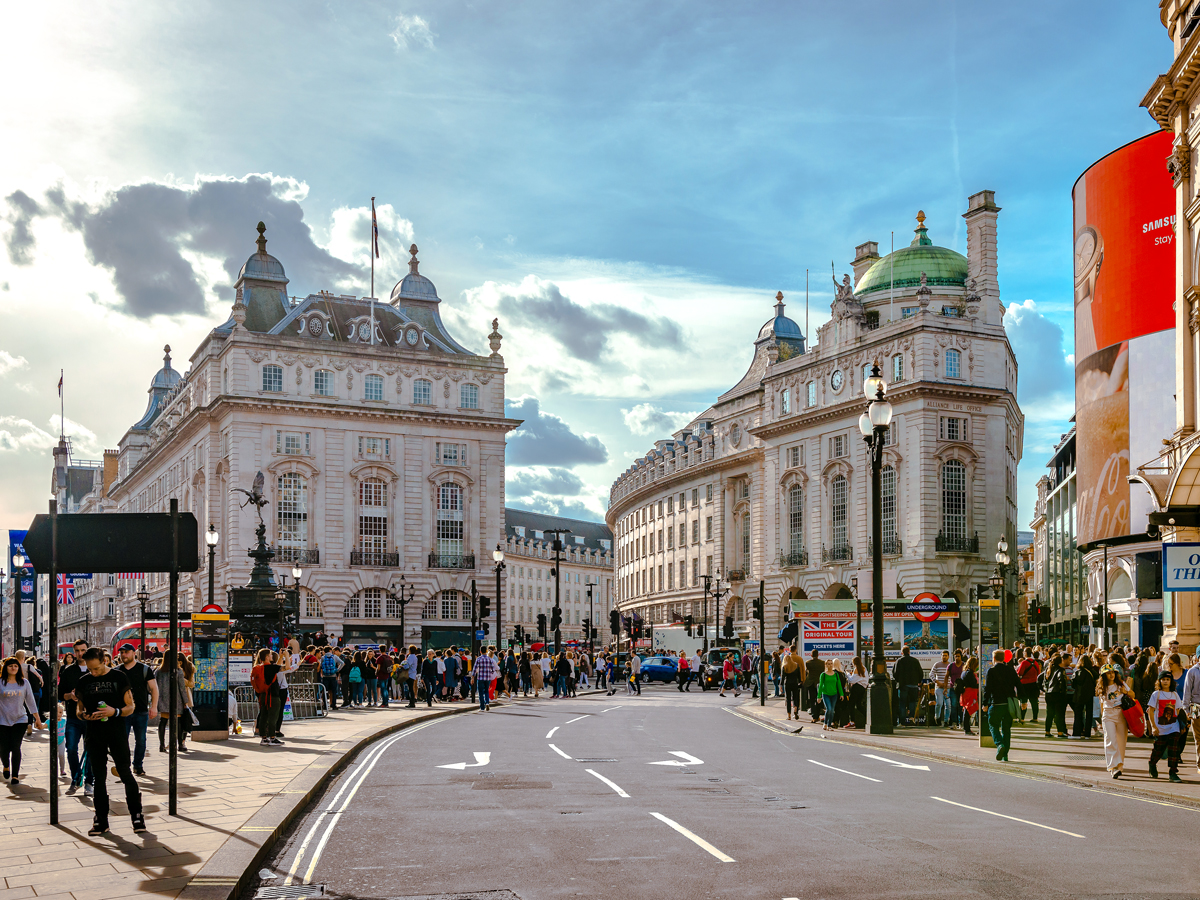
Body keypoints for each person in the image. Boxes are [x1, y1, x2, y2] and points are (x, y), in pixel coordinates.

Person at [75, 647, 146, 835]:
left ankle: (137, 815)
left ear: (104, 662)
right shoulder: (84, 681)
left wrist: (114, 711)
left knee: (125, 772)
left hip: (116, 731)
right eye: (90, 669)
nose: (93, 672)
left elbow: (131, 706)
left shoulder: (119, 677)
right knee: (99, 776)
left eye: (96, 668)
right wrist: (84, 716)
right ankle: (101, 819)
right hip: (94, 733)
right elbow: (78, 710)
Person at [0, 656, 43, 785]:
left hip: (20, 719)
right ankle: (6, 765)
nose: (13, 668)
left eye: (16, 666)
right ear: (5, 668)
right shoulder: (1, 682)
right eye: (10, 666)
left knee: (16, 746)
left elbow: (30, 701)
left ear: (19, 668)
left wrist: (37, 719)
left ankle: (15, 775)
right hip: (2, 720)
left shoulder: (24, 683)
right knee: (3, 747)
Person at [117, 643, 159, 776]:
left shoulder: (145, 669)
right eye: (122, 652)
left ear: (133, 653)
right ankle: (125, 765)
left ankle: (138, 765)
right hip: (123, 712)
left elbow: (154, 689)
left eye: (126, 652)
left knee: (141, 740)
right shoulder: (117, 671)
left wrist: (154, 706)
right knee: (122, 740)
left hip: (140, 710)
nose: (123, 655)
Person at [59, 638, 92, 796]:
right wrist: (69, 696)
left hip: (92, 717)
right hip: (73, 716)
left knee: (90, 750)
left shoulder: (96, 669)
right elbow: (60, 694)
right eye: (77, 651)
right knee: (71, 748)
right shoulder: (68, 671)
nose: (80, 654)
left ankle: (89, 782)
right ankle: (76, 778)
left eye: (83, 650)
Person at [1097, 663, 1135, 778]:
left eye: (1112, 672)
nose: (1111, 675)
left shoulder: (1120, 684)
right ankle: (1113, 767)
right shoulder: (1101, 687)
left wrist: (1125, 692)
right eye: (1108, 673)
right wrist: (1103, 716)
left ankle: (1119, 766)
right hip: (1108, 714)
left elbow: (1133, 694)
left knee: (1121, 741)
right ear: (1103, 676)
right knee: (1110, 740)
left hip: (1121, 713)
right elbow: (1101, 703)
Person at [1147, 670, 1184, 782]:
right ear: (1159, 681)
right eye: (1163, 679)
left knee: (1174, 750)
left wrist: (1182, 726)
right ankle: (1152, 763)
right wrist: (1153, 726)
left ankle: (1173, 772)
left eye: (1168, 679)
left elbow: (1178, 710)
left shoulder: (1174, 694)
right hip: (1161, 728)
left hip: (1174, 727)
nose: (1165, 681)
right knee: (1158, 750)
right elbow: (1150, 711)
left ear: (1171, 681)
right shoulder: (1156, 694)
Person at [983, 649, 1019, 761]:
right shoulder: (1010, 670)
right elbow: (1018, 684)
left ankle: (999, 744)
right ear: (1004, 659)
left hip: (996, 703)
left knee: (993, 725)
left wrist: (985, 703)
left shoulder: (991, 671)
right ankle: (1005, 755)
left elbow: (987, 689)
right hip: (1009, 704)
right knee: (1006, 729)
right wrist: (1023, 701)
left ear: (994, 659)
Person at [156, 650, 193, 752]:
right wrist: (185, 702)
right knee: (178, 723)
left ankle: (162, 745)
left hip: (163, 699)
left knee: (163, 722)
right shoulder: (178, 671)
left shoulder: (158, 671)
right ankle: (180, 744)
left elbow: (154, 687)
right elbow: (182, 688)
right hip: (176, 700)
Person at [1071, 654, 1098, 739]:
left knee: (1078, 714)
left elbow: (1073, 684)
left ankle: (1077, 733)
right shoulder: (1093, 672)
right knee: (1089, 714)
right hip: (1090, 695)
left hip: (1079, 695)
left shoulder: (1077, 672)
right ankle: (1087, 734)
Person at [1044, 654, 1070, 738]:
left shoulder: (1048, 670)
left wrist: (1045, 689)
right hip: (1058, 693)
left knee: (1050, 713)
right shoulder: (1060, 670)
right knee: (1059, 713)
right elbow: (1061, 680)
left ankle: (1047, 731)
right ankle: (1060, 732)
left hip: (1049, 693)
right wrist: (1063, 691)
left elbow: (1042, 680)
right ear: (1060, 662)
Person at [1016, 650, 1042, 723]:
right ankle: (1035, 718)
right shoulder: (1035, 662)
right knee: (1034, 702)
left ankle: (1022, 718)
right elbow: (1039, 673)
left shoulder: (1024, 662)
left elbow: (1020, 673)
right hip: (1034, 684)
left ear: (1025, 653)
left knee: (1023, 701)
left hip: (1024, 685)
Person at [818, 660, 842, 731]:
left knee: (832, 710)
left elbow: (839, 685)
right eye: (828, 664)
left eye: (831, 664)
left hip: (834, 694)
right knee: (829, 709)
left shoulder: (836, 674)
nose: (830, 665)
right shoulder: (823, 674)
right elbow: (820, 686)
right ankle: (825, 723)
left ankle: (829, 725)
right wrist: (819, 696)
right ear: (826, 665)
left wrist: (841, 694)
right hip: (826, 694)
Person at [960, 657, 980, 736]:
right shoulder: (970, 673)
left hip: (966, 692)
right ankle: (967, 729)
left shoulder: (964, 672)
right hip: (970, 692)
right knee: (968, 710)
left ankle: (966, 728)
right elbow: (973, 684)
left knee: (966, 710)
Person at [930, 651, 950, 725]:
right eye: (943, 655)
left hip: (947, 688)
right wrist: (936, 681)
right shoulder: (937, 664)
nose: (944, 657)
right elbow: (931, 674)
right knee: (939, 703)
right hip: (938, 687)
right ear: (941, 656)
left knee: (948, 705)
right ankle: (937, 717)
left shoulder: (950, 665)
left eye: (946, 655)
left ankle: (946, 720)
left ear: (948, 656)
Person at [803, 650, 822, 717]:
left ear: (811, 655)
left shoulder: (808, 663)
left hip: (810, 683)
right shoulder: (822, 663)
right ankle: (818, 714)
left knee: (811, 699)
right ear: (818, 655)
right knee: (819, 698)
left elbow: (807, 672)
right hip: (818, 682)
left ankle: (813, 714)